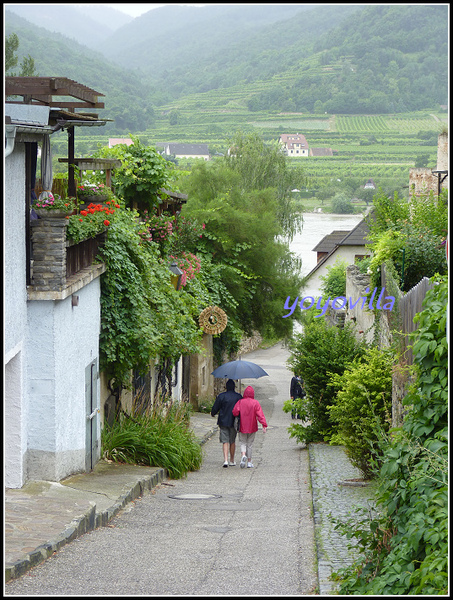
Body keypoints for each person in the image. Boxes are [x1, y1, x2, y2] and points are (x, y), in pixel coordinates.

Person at [232, 385, 267, 469]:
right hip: (252, 426)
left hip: (242, 426)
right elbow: (260, 414)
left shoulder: (240, 402)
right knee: (250, 444)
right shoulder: (255, 403)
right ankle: (249, 462)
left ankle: (243, 455)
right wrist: (264, 424)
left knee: (243, 442)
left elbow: (235, 412)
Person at [211, 379, 242, 467]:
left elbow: (216, 407)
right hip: (234, 422)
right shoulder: (238, 397)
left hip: (223, 421)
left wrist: (213, 413)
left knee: (225, 441)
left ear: (226, 387)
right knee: (232, 441)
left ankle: (225, 460)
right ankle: (232, 460)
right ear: (234, 387)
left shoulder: (221, 396)